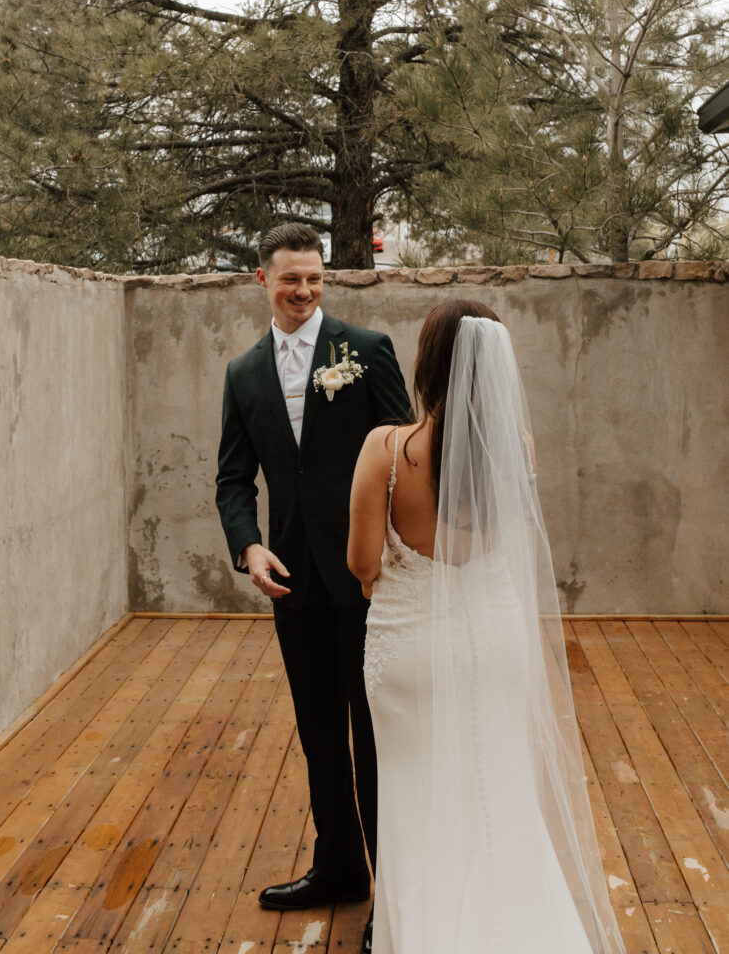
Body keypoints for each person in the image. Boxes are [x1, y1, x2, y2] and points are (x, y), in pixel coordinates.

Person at [348, 299, 627, 954]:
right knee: (495, 787)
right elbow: (509, 545)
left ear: (428, 364)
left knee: (414, 798)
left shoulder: (385, 450)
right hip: (496, 641)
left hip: (409, 649)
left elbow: (361, 563)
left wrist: (392, 578)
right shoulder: (516, 448)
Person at [215, 222, 411, 954]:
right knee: (319, 730)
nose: (304, 290)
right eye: (290, 278)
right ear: (260, 280)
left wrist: (392, 552)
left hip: (366, 575)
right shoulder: (242, 374)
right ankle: (337, 870)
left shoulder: (364, 352)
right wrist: (249, 545)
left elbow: (403, 453)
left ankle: (393, 898)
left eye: (315, 278)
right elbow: (233, 479)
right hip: (291, 581)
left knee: (375, 736)